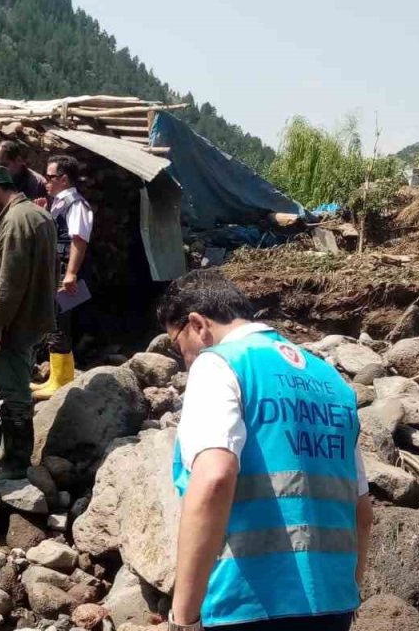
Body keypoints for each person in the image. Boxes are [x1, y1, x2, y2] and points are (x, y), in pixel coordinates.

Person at [158, 270, 371, 631]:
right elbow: (361, 510)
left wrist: (183, 617)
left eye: (178, 345)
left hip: (247, 603)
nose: (186, 360)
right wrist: (347, 592)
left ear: (197, 324)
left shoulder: (220, 363)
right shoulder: (330, 380)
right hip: (334, 604)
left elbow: (213, 479)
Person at [0, 165, 57, 479]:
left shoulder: (16, 221)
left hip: (16, 322)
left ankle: (16, 464)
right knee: (17, 384)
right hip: (32, 318)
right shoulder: (37, 214)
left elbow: (9, 282)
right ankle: (8, 451)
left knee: (13, 392)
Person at [32, 155, 94, 400]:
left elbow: (79, 239)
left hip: (66, 272)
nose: (46, 182)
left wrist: (70, 273)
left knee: (58, 322)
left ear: (64, 179)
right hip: (57, 269)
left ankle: (59, 380)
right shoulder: (58, 203)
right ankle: (61, 377)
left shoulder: (76, 204)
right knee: (58, 321)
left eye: (50, 177)